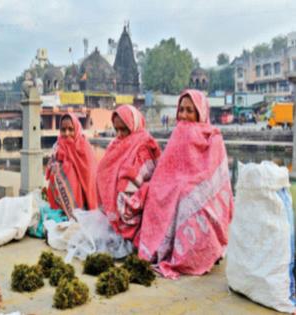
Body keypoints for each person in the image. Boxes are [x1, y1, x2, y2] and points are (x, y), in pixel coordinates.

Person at [139, 89, 234, 279]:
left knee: (187, 198)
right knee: (155, 192)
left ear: (201, 112)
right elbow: (166, 168)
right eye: (181, 110)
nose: (183, 115)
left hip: (203, 189)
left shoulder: (213, 136)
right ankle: (161, 249)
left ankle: (193, 256)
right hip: (175, 185)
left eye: (190, 110)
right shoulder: (178, 132)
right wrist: (161, 185)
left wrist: (187, 185)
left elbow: (214, 173)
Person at [96, 104, 161, 246]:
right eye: (116, 129)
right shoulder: (115, 145)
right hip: (115, 212)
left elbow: (146, 175)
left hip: (137, 209)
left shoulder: (144, 145)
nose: (119, 134)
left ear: (134, 126)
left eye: (124, 129)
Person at [46, 113, 98, 218]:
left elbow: (90, 179)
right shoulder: (58, 146)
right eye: (63, 129)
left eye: (71, 129)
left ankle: (75, 212)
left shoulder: (84, 147)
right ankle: (61, 210)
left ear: (77, 129)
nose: (66, 133)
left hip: (82, 203)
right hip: (59, 203)